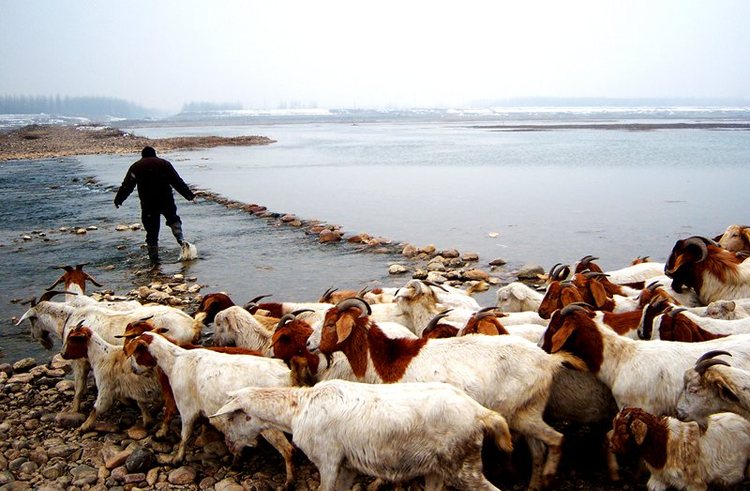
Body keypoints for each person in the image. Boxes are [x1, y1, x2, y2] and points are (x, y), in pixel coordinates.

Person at [114, 146, 195, 263]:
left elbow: (127, 185)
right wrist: (189, 195)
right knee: (173, 220)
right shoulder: (164, 164)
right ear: (154, 154)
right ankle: (181, 239)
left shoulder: (136, 166)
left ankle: (154, 260)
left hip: (148, 203)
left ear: (142, 156)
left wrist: (119, 200)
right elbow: (177, 181)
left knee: (152, 231)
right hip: (166, 199)